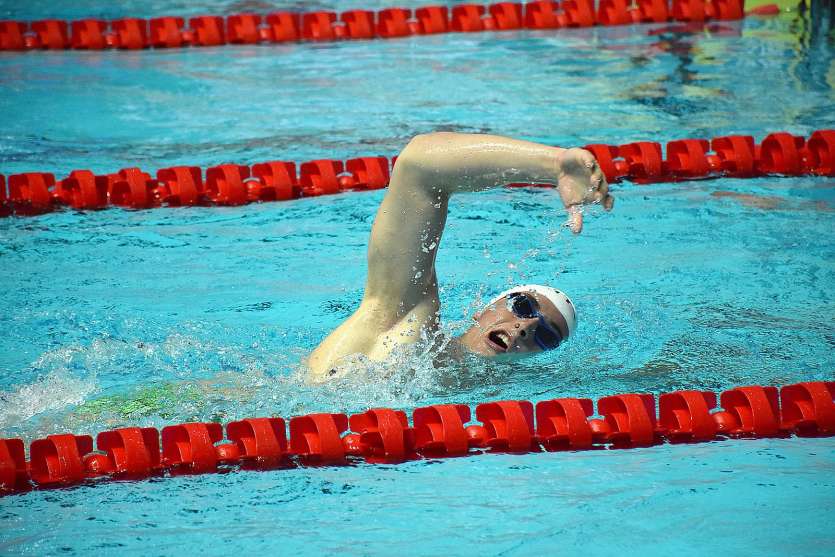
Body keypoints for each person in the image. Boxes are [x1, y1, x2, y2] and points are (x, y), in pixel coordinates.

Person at [307, 132, 613, 381]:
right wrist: (554, 164)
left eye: (547, 336)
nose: (526, 327)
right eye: (522, 305)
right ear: (482, 311)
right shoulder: (404, 325)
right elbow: (419, 167)